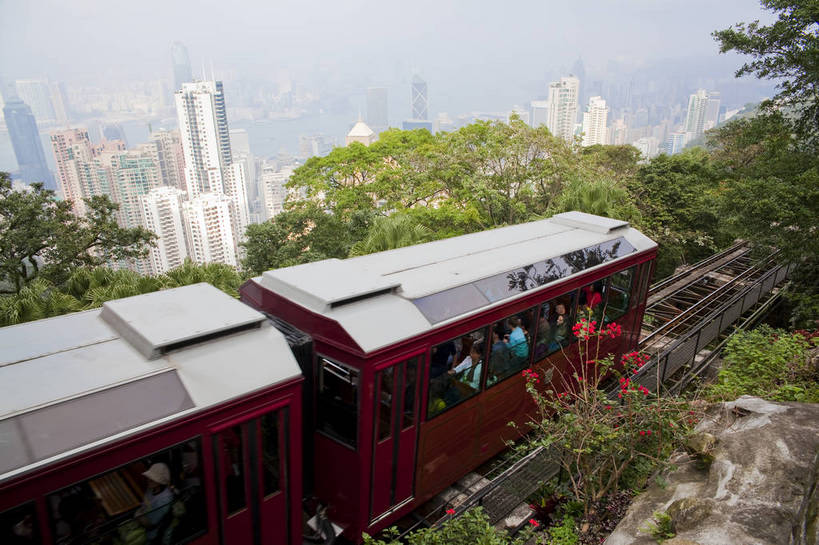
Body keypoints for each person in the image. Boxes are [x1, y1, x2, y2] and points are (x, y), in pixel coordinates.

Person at [136, 463, 174, 544]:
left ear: (160, 482)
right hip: (142, 526)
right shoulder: (152, 488)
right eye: (149, 477)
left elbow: (150, 524)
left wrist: (138, 515)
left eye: (153, 478)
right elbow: (145, 503)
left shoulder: (164, 500)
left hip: (154, 537)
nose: (149, 480)